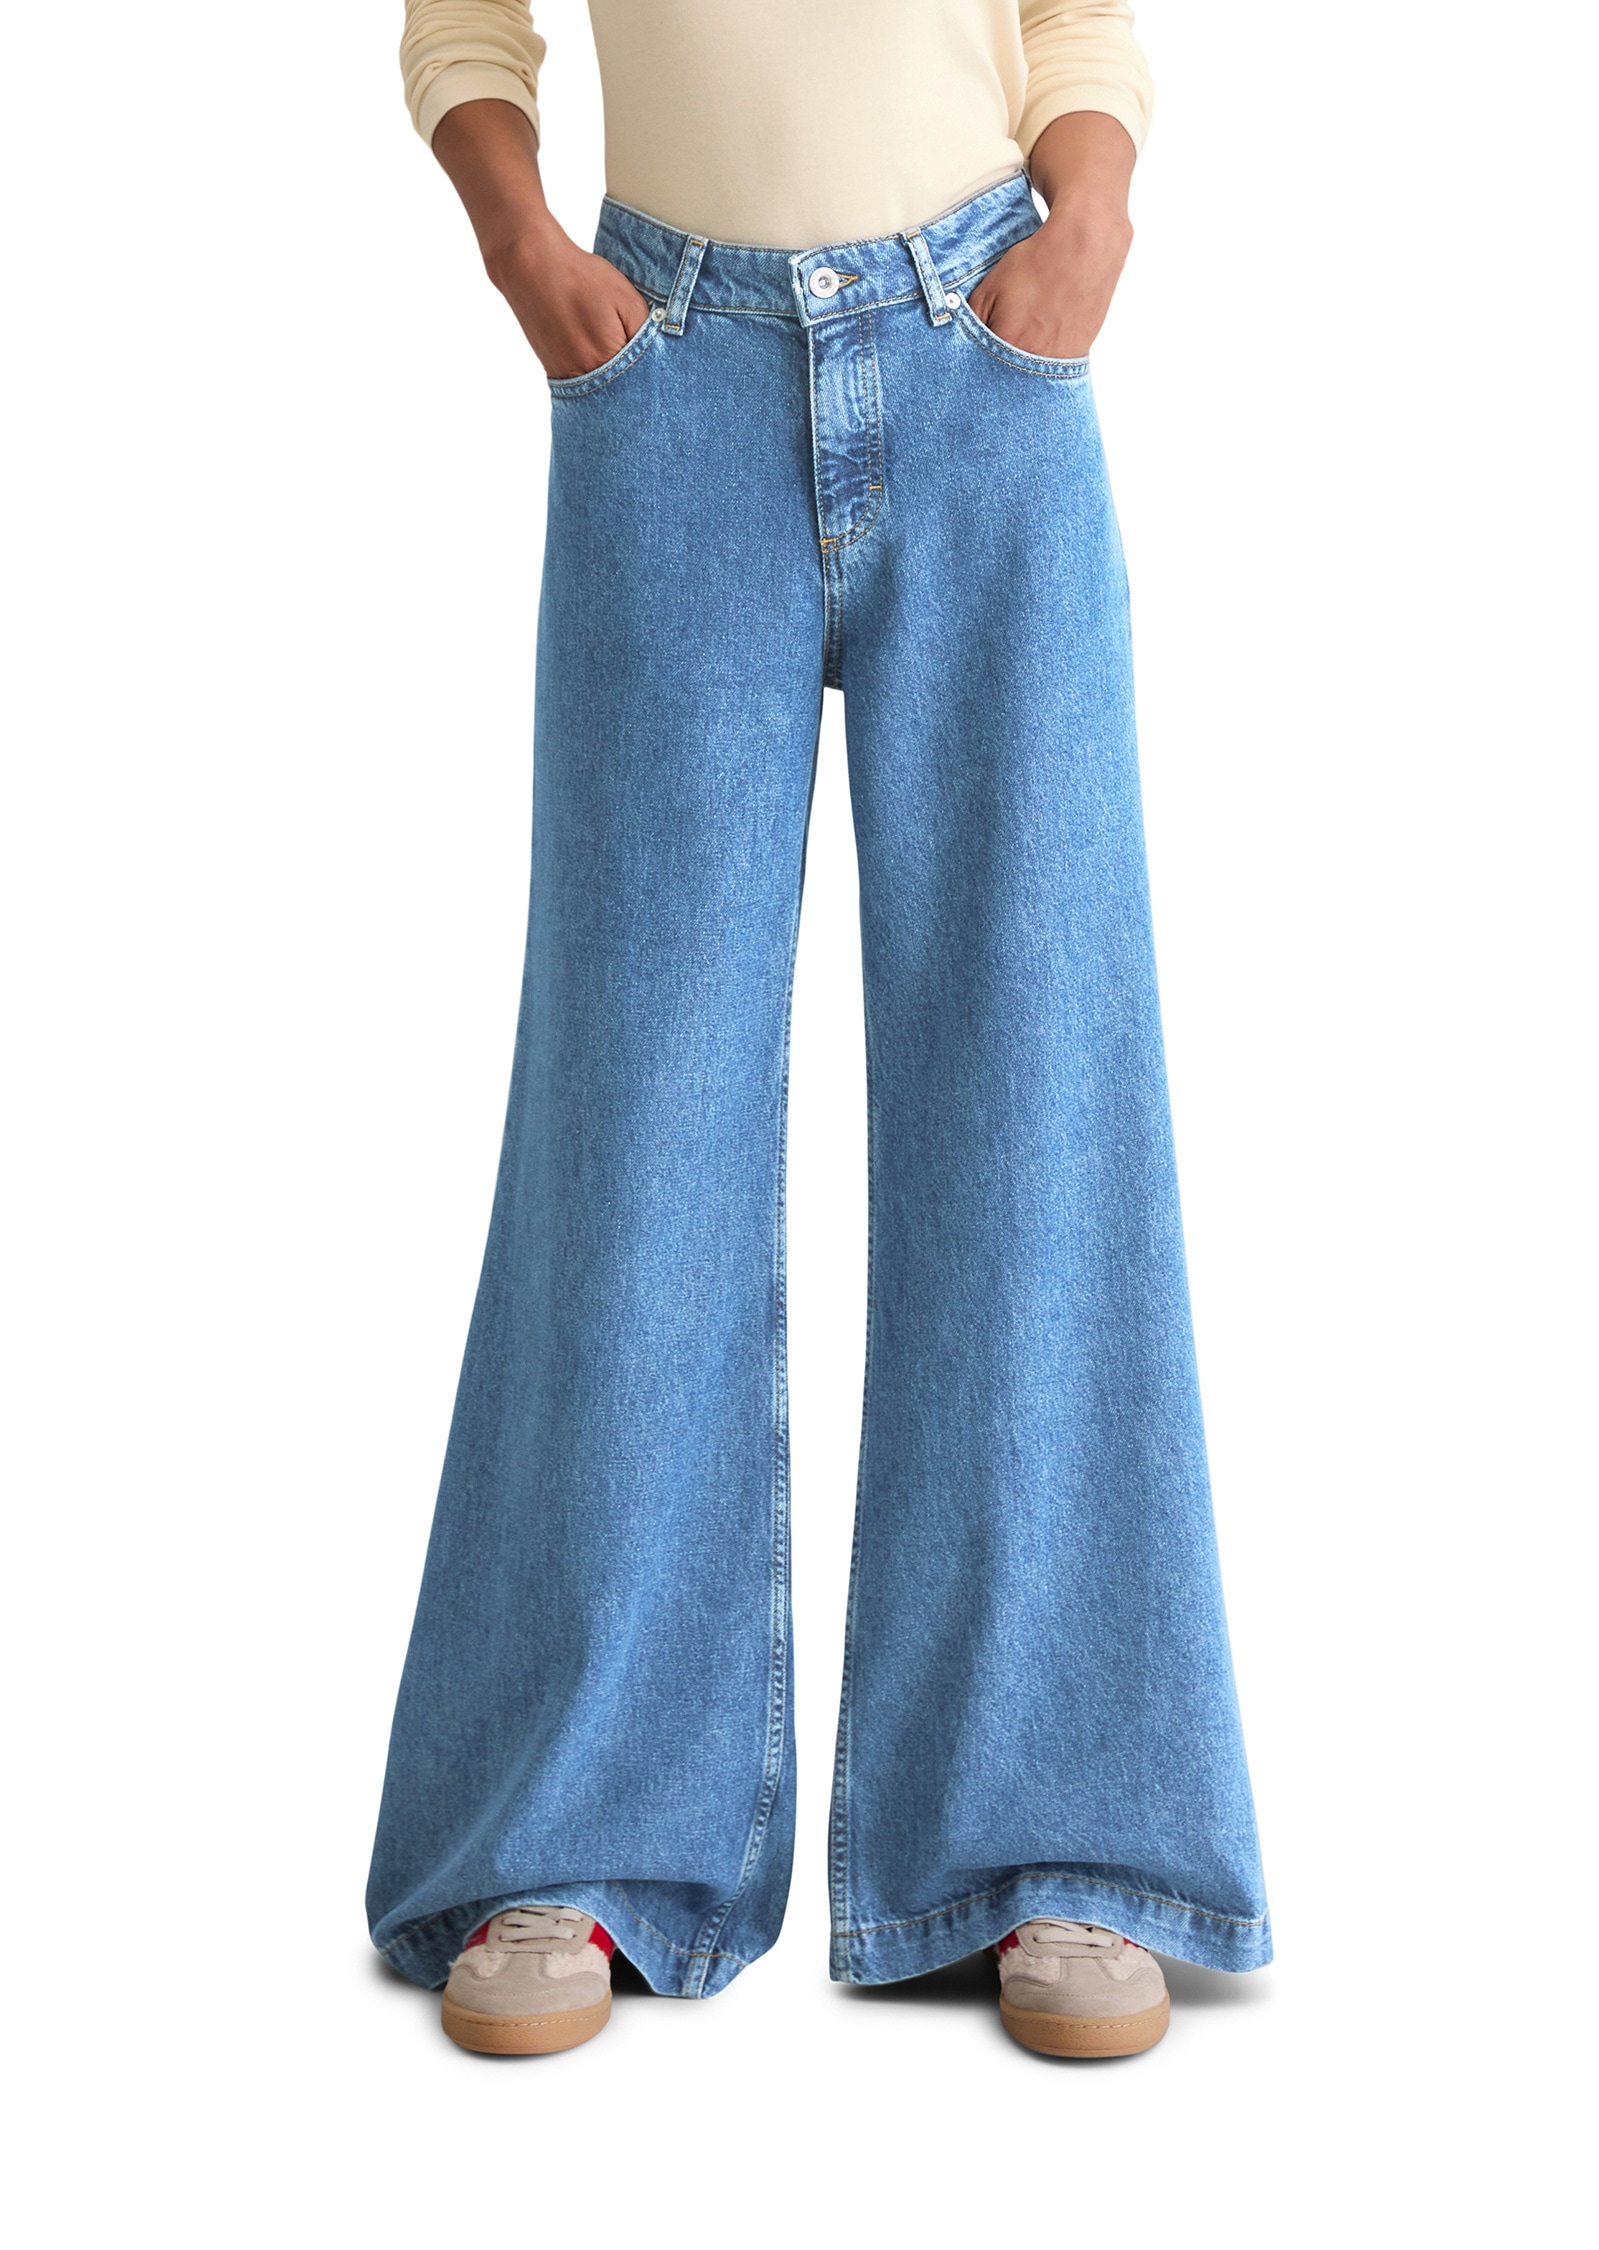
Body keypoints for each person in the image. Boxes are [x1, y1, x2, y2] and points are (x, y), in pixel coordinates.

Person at [369, 0, 1270, 2060]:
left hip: (984, 347)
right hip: (660, 359)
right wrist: (525, 256)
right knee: (633, 1109)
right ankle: (578, 1837)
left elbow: (1073, 29)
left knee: (1035, 1093)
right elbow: (460, 25)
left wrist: (1090, 225)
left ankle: (1058, 1839)